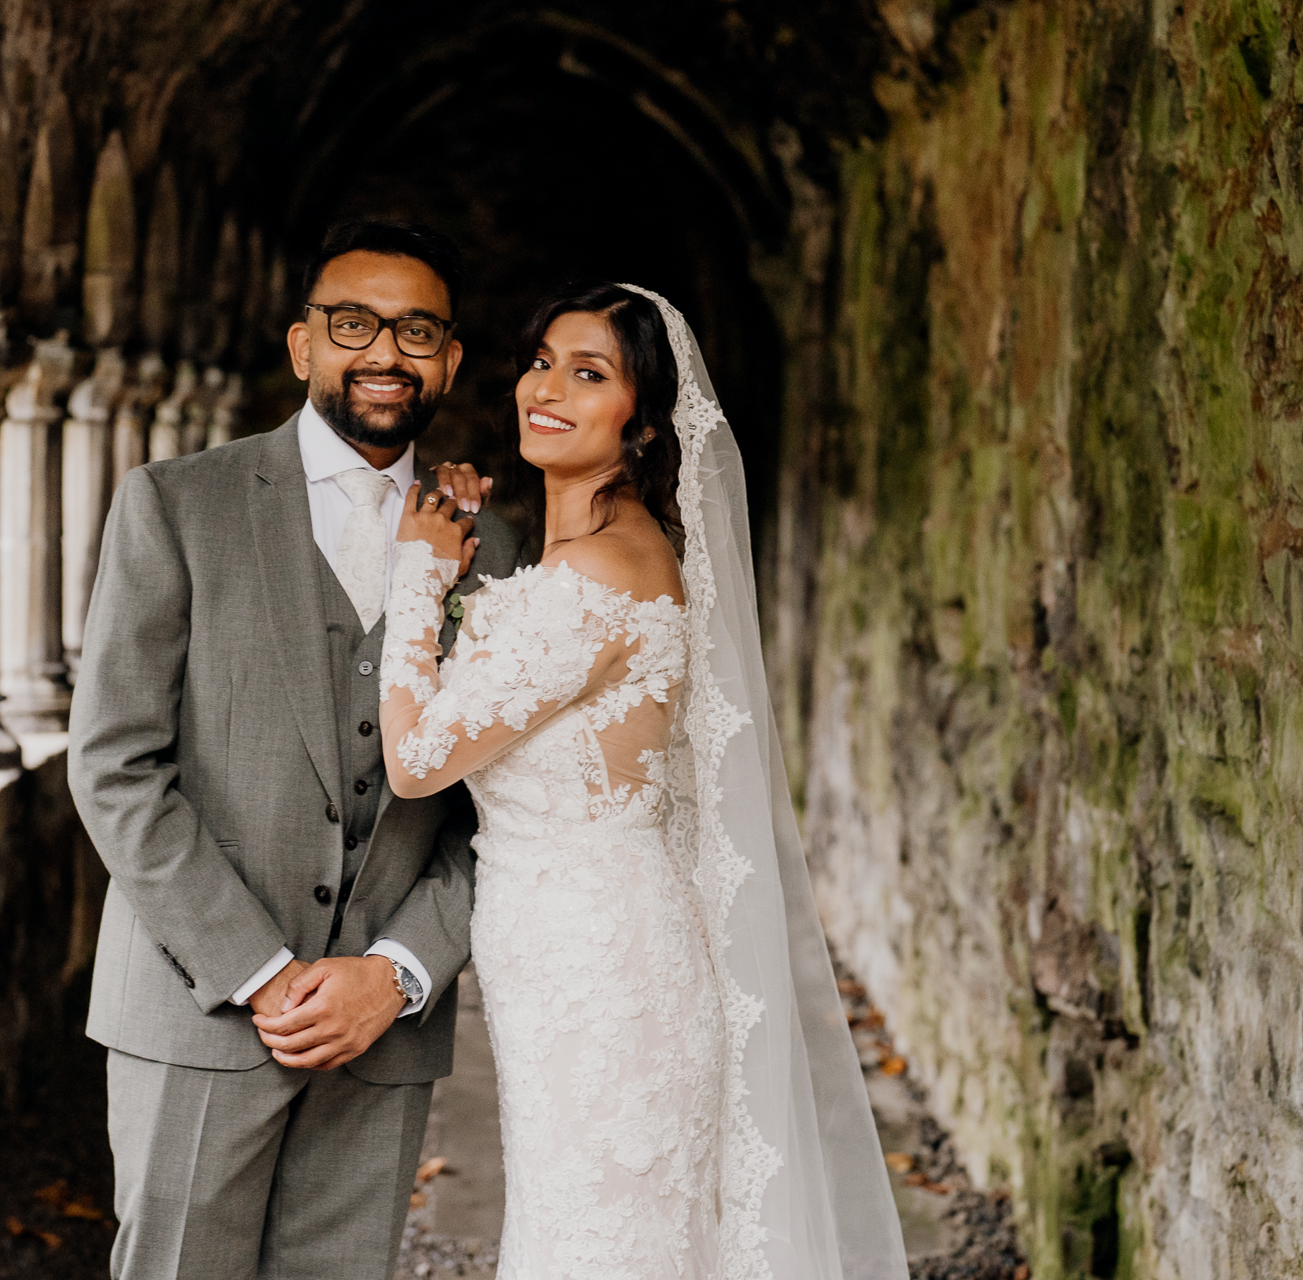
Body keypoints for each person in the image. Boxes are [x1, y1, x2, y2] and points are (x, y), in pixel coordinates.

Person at [378, 283, 910, 1279]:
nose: (549, 387)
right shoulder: (592, 556)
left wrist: (417, 575)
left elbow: (415, 762)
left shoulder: (603, 576)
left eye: (591, 373)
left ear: (647, 422)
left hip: (603, 970)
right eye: (542, 360)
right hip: (567, 955)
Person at [68, 219, 523, 1280]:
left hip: (383, 1030)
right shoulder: (178, 504)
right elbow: (116, 764)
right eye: (353, 322)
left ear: (450, 360)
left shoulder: (495, 549)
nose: (384, 352)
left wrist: (399, 971)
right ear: (301, 344)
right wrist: (261, 971)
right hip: (199, 1009)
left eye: (416, 330)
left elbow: (508, 810)